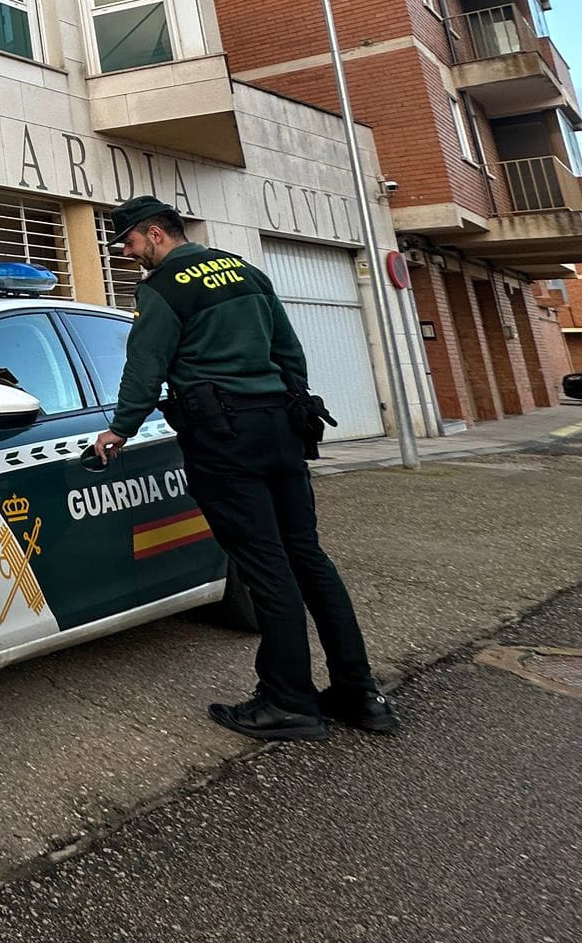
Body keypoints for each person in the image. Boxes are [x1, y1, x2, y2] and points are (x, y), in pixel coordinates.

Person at [94, 195, 400, 742]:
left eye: (130, 242)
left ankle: (288, 702)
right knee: (308, 556)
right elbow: (289, 351)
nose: (128, 253)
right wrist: (290, 403)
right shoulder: (246, 271)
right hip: (280, 427)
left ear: (156, 234)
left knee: (266, 567)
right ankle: (360, 693)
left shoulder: (162, 289)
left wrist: (121, 429)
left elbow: (145, 367)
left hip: (223, 439)